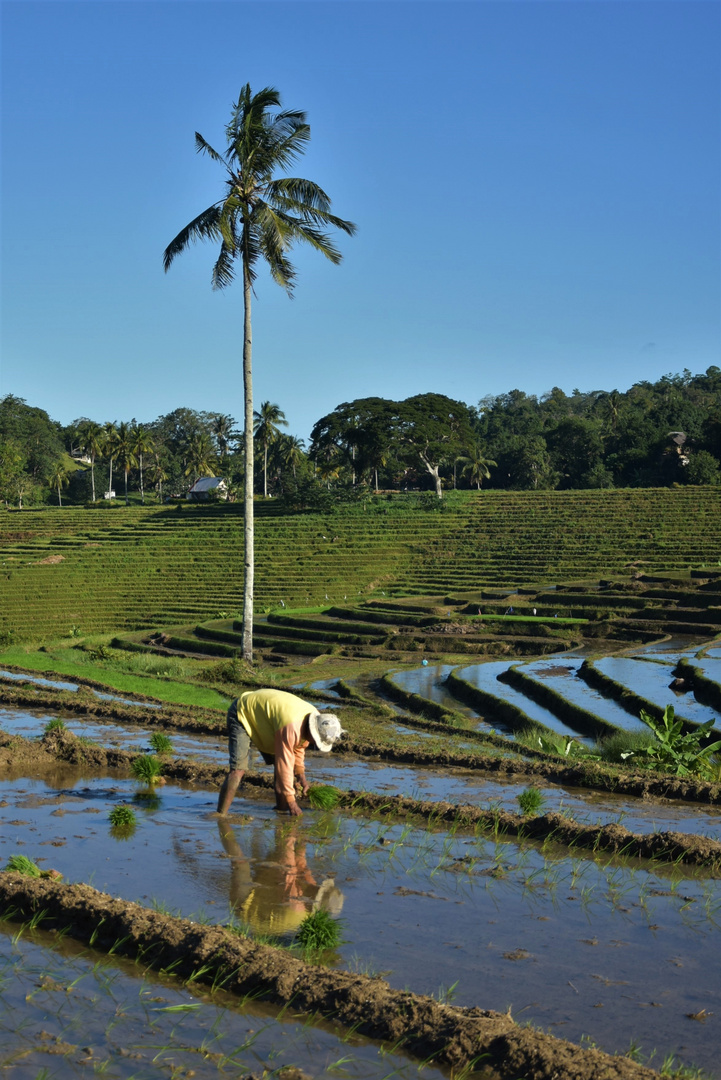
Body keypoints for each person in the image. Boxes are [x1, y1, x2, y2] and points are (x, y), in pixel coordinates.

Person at [217, 688, 346, 816]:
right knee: (238, 770)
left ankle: (281, 810)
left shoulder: (317, 720)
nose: (314, 744)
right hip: (242, 712)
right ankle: (220, 815)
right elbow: (284, 765)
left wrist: (301, 776)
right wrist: (292, 802)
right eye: (316, 741)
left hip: (269, 721)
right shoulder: (292, 726)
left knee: (282, 773)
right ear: (314, 731)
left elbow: (299, 747)